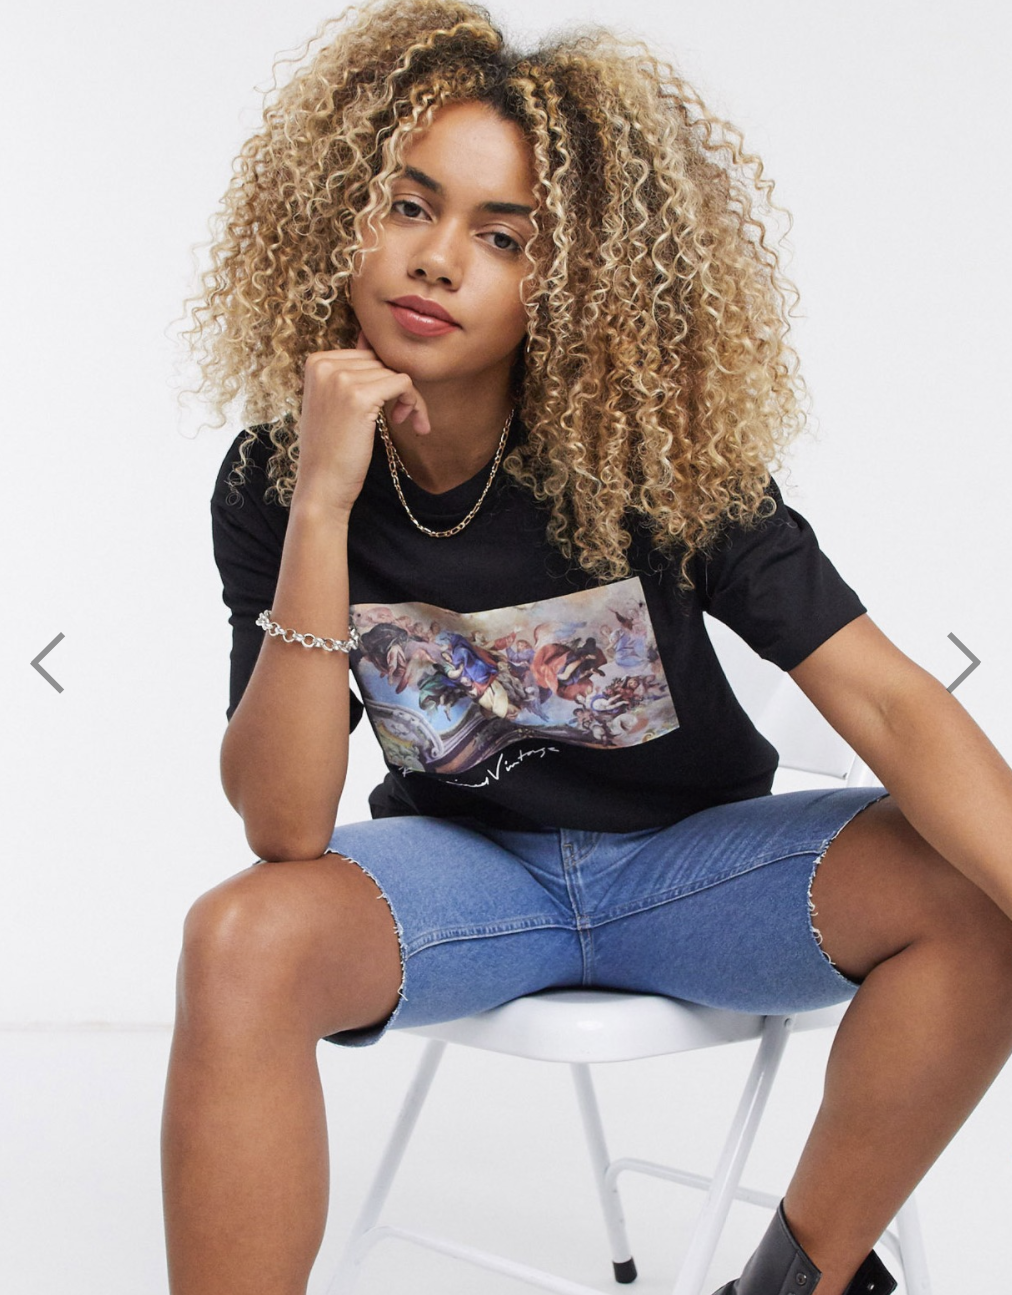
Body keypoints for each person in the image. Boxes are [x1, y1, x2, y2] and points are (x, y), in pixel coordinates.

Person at [162, 2, 1012, 1292]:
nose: (437, 260)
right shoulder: (273, 480)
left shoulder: (656, 463)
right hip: (464, 882)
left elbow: (887, 703)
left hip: (693, 873)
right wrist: (322, 506)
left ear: (570, 280)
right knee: (238, 937)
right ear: (342, 217)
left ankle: (801, 1280)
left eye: (501, 236)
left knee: (976, 886)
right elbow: (284, 826)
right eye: (409, 205)